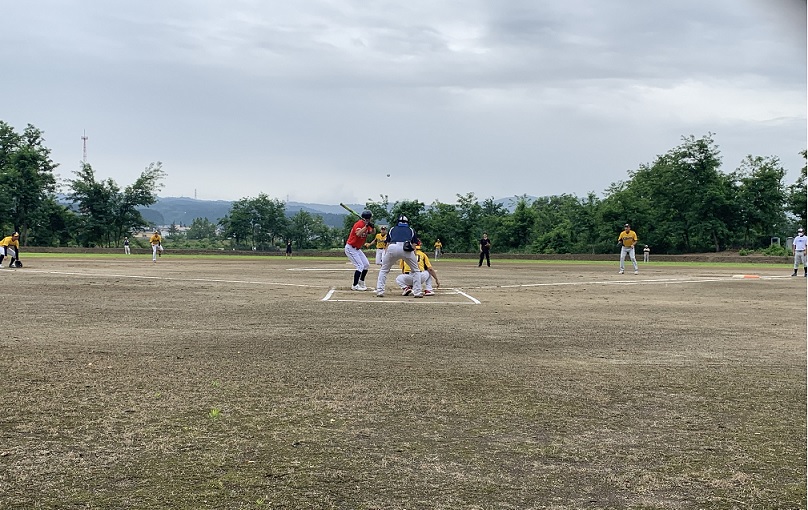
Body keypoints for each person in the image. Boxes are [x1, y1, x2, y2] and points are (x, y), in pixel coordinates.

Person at [375, 215, 422, 298]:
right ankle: (417, 292)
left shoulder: (392, 229)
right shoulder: (410, 230)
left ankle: (380, 291)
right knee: (416, 271)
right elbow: (414, 244)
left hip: (392, 247)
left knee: (384, 270)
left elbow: (387, 243)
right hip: (406, 248)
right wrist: (413, 255)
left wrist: (386, 255)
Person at [344, 210, 375, 290]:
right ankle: (354, 285)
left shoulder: (367, 224)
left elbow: (373, 232)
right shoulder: (359, 224)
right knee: (360, 266)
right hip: (351, 248)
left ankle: (361, 282)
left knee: (366, 265)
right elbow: (358, 234)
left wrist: (372, 226)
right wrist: (366, 226)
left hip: (357, 249)